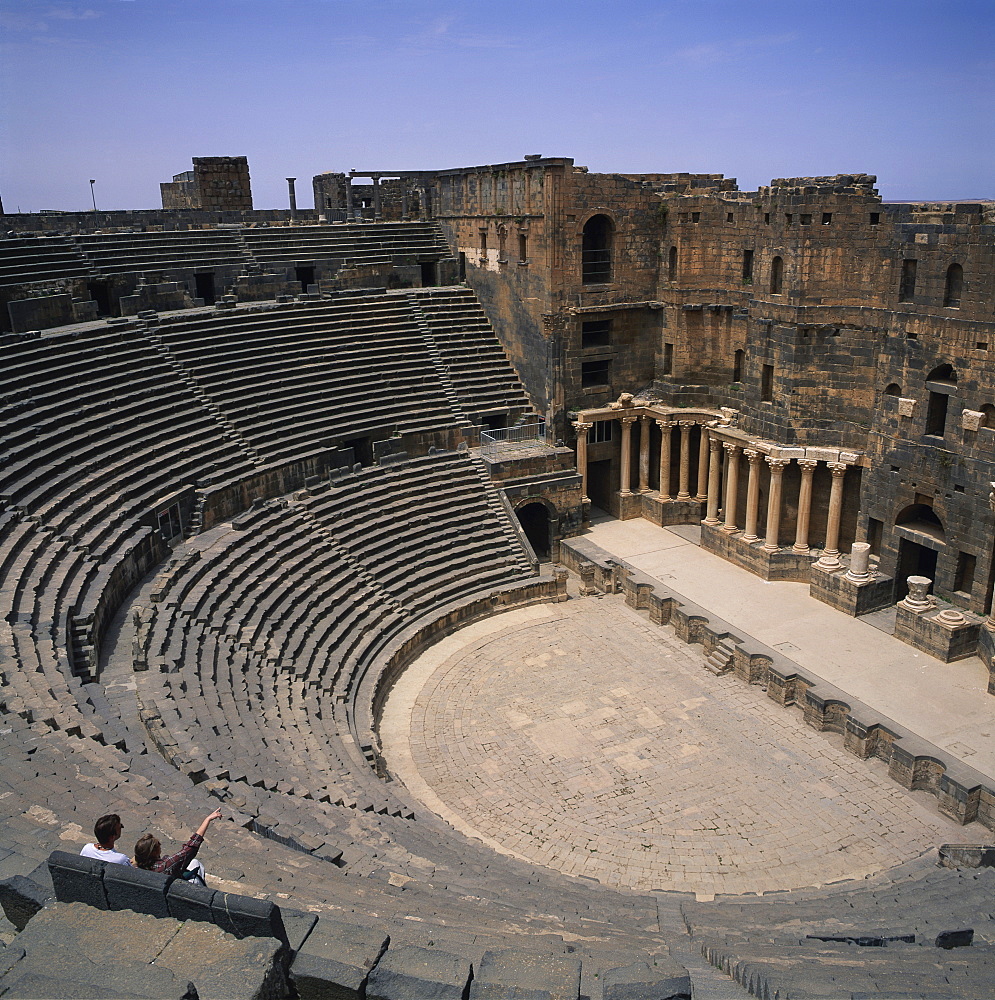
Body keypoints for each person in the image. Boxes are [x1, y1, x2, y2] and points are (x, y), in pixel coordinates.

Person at [134, 807, 222, 885]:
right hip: (176, 887)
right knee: (197, 866)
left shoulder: (140, 866)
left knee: (194, 862)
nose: (160, 845)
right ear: (153, 852)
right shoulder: (166, 866)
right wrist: (207, 819)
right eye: (158, 845)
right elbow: (190, 848)